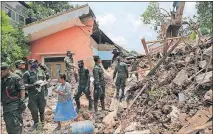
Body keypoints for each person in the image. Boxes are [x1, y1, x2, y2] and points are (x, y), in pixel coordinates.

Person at [1, 62, 26, 134]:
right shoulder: (2, 79)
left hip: (14, 105)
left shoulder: (15, 77)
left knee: (14, 124)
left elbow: (22, 89)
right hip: (6, 105)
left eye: (3, 70)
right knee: (9, 124)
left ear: (7, 69)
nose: (1, 71)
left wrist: (22, 100)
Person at [23, 59, 47, 131]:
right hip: (32, 95)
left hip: (41, 94)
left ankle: (42, 124)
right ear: (30, 64)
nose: (36, 64)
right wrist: (33, 85)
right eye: (34, 63)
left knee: (42, 109)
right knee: (34, 110)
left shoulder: (41, 71)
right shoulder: (27, 73)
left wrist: (44, 84)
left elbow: (45, 80)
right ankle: (36, 123)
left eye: (36, 62)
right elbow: (24, 85)